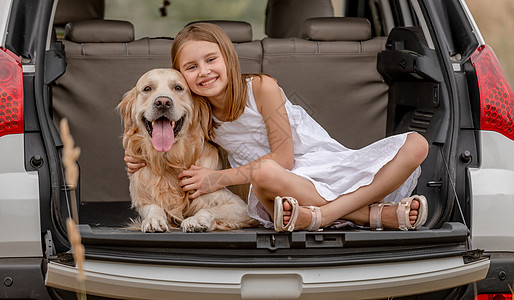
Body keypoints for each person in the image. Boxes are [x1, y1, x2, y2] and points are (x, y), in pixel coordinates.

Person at [125, 23, 429, 232]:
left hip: (314, 163)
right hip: (274, 189)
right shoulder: (197, 112)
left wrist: (218, 179)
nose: (204, 71)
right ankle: (372, 215)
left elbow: (284, 158)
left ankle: (325, 215)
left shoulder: (261, 87)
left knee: (417, 144)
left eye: (211, 60)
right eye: (191, 67)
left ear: (228, 59)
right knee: (266, 177)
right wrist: (138, 156)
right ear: (184, 78)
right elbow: (169, 141)